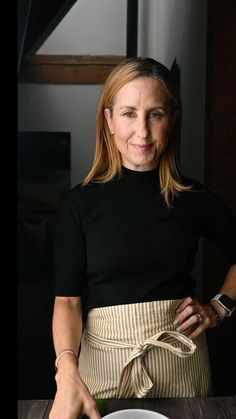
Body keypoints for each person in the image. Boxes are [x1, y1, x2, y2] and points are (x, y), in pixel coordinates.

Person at [49, 57, 236, 419]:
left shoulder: (195, 200)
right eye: (129, 113)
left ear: (173, 119)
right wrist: (67, 372)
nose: (143, 132)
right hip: (101, 369)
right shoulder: (78, 204)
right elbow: (67, 303)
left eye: (155, 114)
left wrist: (217, 309)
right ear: (109, 120)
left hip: (182, 367)